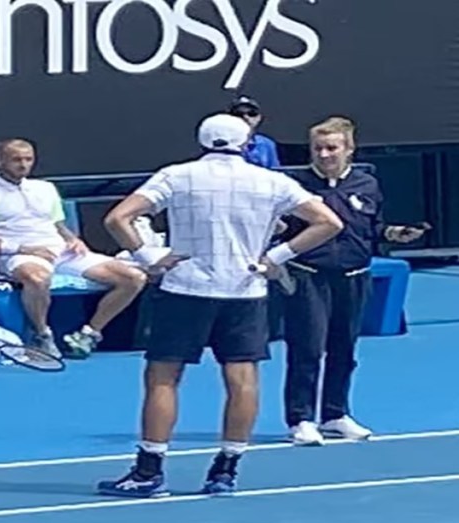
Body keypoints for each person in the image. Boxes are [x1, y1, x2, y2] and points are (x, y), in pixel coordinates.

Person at [95, 114, 343, 498]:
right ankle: (225, 471)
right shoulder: (272, 181)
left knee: (163, 378)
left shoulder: (176, 175)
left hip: (185, 290)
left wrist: (147, 257)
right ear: (246, 143)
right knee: (242, 380)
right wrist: (275, 257)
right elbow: (328, 222)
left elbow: (118, 218)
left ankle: (148, 472)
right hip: (244, 292)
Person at [279, 117, 425, 446]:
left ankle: (335, 414)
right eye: (318, 149)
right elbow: (284, 230)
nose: (325, 155)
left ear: (349, 149)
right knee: (307, 348)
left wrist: (395, 234)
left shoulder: (366, 184)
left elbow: (373, 228)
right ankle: (300, 418)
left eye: (332, 148)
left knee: (343, 348)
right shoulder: (296, 187)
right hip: (308, 277)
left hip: (355, 276)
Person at [0, 139, 148, 358]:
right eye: (16, 160)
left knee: (133, 277)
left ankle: (88, 334)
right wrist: (24, 249)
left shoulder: (46, 188)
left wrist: (74, 240)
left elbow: (58, 225)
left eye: (28, 159)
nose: (23, 165)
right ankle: (42, 335)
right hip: (18, 255)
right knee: (37, 279)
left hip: (62, 252)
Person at [228, 95, 281, 169]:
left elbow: (275, 172)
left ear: (259, 117)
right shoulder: (222, 143)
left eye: (252, 113)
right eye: (238, 114)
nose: (246, 117)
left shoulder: (267, 144)